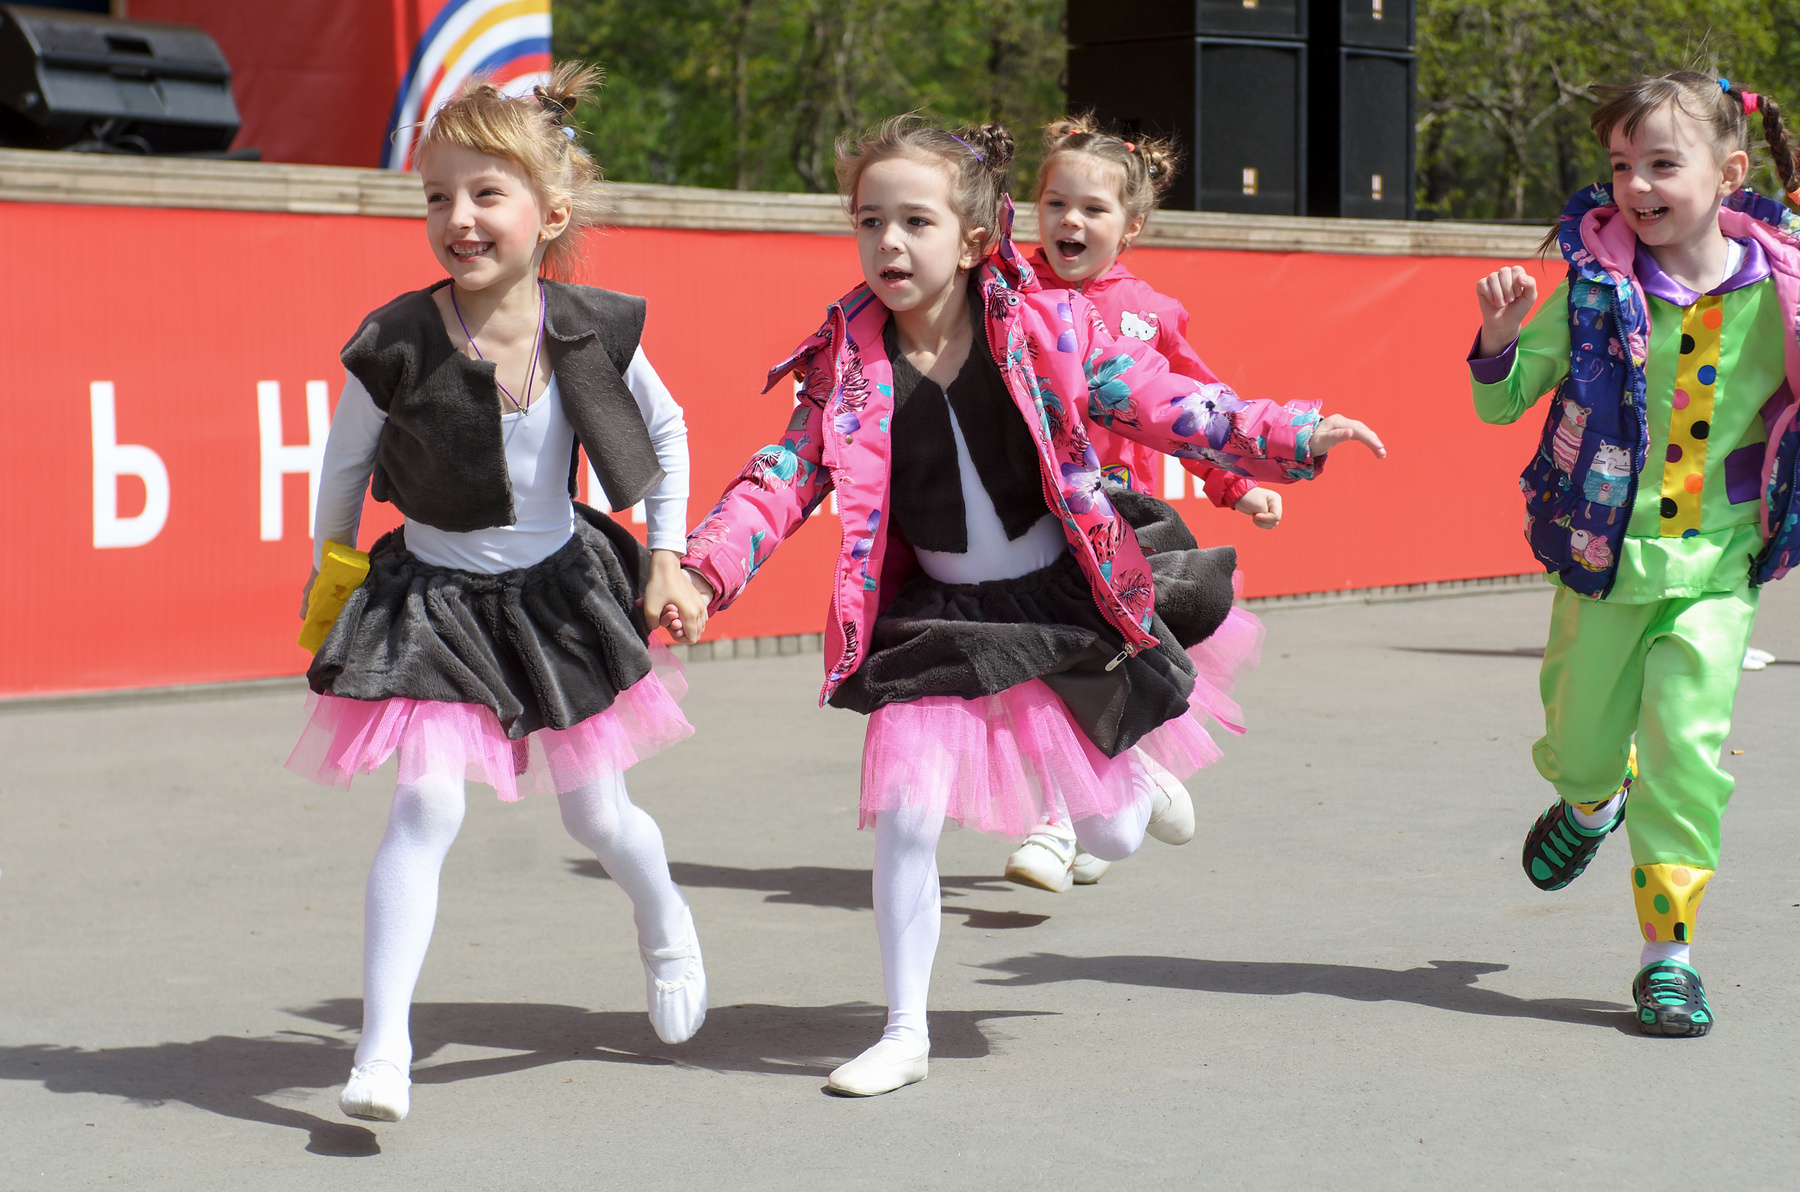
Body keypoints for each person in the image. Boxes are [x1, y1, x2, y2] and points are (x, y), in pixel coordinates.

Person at [681, 116, 1385, 1096]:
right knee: (907, 816)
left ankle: (1134, 778)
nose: (888, 243)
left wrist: (1293, 433)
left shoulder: (1048, 330)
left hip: (1063, 597)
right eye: (870, 221)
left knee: (1109, 836)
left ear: (974, 239)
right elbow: (784, 476)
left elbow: (1174, 402)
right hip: (941, 616)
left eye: (915, 222)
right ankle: (904, 1031)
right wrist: (701, 571)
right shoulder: (846, 367)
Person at [285, 65, 712, 1121]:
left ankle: (665, 922)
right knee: (424, 806)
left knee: (599, 813)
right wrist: (331, 559)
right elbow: (345, 464)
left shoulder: (589, 327)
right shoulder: (399, 336)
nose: (459, 219)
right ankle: (384, 1050)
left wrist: (667, 554)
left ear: (550, 214)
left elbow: (665, 431)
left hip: (560, 597)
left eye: (486, 194)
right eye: (438, 197)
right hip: (432, 601)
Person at [1469, 72, 1800, 1036]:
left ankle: (1669, 957)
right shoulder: (1593, 289)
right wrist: (1497, 340)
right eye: (1622, 166)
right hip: (1603, 561)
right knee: (1580, 748)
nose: (1637, 186)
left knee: (1685, 758)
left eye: (1662, 163)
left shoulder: (1781, 293)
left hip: (1719, 567)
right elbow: (1502, 402)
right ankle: (1588, 804)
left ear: (1729, 174)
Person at [1005, 115, 1286, 892]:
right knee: (1032, 671)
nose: (1070, 220)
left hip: (1115, 526)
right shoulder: (1007, 291)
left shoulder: (1150, 311)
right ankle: (1114, 797)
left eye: (1093, 209)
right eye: (1056, 203)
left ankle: (1069, 820)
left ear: (1129, 225)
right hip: (1024, 516)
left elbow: (1194, 408)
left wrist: (1239, 485)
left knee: (1088, 668)